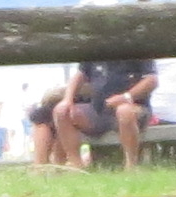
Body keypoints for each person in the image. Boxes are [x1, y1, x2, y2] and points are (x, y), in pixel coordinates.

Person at [28, 57, 159, 168]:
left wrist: (126, 97)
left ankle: (131, 166)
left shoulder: (138, 51)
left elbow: (152, 80)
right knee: (61, 111)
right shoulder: (94, 51)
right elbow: (80, 75)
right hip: (98, 109)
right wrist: (67, 99)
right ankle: (76, 165)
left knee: (124, 111)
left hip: (134, 106)